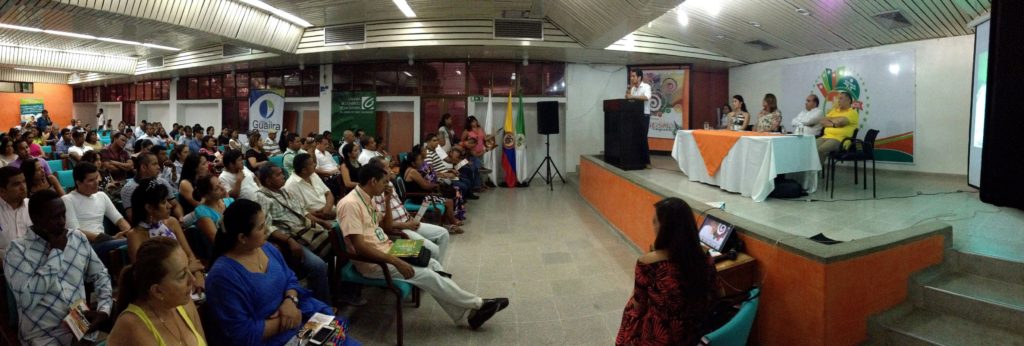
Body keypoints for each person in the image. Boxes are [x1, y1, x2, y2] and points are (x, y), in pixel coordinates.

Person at [338, 163, 507, 329]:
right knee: (427, 275)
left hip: (387, 248)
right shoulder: (350, 204)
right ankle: (478, 304)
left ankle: (466, 314)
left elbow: (387, 227)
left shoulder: (370, 199)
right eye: (384, 183)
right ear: (373, 181)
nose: (385, 187)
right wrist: (396, 261)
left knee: (432, 263)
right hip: (372, 262)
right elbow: (360, 247)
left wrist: (388, 200)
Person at [205, 199, 359, 346]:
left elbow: (290, 278)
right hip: (274, 339)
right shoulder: (223, 277)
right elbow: (241, 334)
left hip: (301, 317)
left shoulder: (266, 248)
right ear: (242, 237)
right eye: (260, 227)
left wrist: (290, 300)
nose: (267, 230)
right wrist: (286, 319)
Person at [4, 190, 114, 345]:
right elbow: (27, 300)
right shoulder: (17, 251)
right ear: (36, 219)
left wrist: (104, 309)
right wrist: (56, 253)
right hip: (43, 336)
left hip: (81, 327)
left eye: (64, 214)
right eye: (55, 217)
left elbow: (100, 275)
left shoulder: (77, 238)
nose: (62, 221)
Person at [616, 197, 717, 346]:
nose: (653, 226)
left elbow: (639, 307)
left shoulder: (648, 263)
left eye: (655, 221)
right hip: (693, 331)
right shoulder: (705, 255)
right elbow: (715, 294)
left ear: (665, 228)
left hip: (660, 336)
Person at [255, 165, 335, 303]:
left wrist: (321, 222)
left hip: (305, 230)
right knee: (318, 266)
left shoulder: (284, 191)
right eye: (278, 175)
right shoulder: (262, 198)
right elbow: (267, 227)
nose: (283, 177)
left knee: (338, 241)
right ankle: (323, 305)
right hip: (290, 237)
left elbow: (302, 212)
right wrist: (289, 240)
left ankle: (334, 289)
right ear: (268, 181)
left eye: (282, 174)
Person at [107, 237, 207, 346]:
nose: (192, 279)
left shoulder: (185, 303)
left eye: (188, 268)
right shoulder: (133, 326)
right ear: (157, 291)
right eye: (182, 275)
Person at [125, 179, 206, 288]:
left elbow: (190, 255)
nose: (170, 206)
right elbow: (145, 277)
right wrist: (186, 270)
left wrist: (198, 276)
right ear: (149, 207)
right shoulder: (134, 235)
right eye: (163, 202)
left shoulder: (172, 222)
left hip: (188, 278)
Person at [368, 157, 449, 260]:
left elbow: (399, 205)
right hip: (398, 230)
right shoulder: (375, 192)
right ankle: (433, 267)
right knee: (433, 250)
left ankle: (437, 267)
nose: (391, 171)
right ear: (379, 172)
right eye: (388, 168)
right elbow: (382, 224)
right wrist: (406, 225)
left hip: (408, 222)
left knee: (443, 234)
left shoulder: (389, 183)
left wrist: (410, 217)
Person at [63, 162, 131, 260]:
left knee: (136, 240)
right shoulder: (68, 200)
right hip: (86, 245)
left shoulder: (101, 196)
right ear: (78, 182)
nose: (96, 182)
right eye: (91, 180)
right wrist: (110, 238)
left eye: (96, 178)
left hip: (105, 241)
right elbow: (75, 232)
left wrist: (128, 233)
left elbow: (120, 220)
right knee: (129, 243)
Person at [401, 146, 463, 232]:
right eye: (420, 160)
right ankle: (454, 225)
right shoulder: (413, 172)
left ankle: (448, 222)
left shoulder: (410, 169)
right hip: (420, 198)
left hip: (420, 196)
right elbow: (425, 186)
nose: (422, 161)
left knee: (446, 197)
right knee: (449, 202)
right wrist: (436, 185)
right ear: (413, 163)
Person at [121, 152, 183, 221]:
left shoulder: (162, 182)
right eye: (154, 164)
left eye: (158, 164)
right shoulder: (129, 188)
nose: (158, 167)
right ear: (143, 167)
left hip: (167, 221)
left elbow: (175, 205)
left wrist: (181, 219)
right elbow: (132, 217)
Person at [284, 153, 337, 221]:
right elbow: (301, 212)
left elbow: (328, 193)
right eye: (312, 164)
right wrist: (324, 213)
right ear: (304, 170)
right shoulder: (291, 185)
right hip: (317, 219)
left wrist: (328, 208)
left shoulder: (313, 174)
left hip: (331, 210)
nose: (315, 165)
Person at [816, 91, 860, 166]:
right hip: (825, 137)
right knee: (811, 147)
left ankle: (816, 173)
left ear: (849, 100)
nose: (838, 100)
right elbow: (822, 121)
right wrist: (834, 124)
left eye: (841, 98)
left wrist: (830, 119)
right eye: (838, 99)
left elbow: (842, 122)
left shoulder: (852, 112)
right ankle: (809, 170)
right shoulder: (834, 110)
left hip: (840, 139)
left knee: (822, 149)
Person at [625, 69, 653, 168]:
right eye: (631, 76)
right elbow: (629, 100)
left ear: (639, 77)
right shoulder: (633, 89)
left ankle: (647, 162)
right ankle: (636, 160)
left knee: (643, 139)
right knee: (634, 138)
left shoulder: (646, 86)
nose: (631, 78)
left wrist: (632, 96)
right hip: (634, 117)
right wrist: (629, 93)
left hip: (644, 116)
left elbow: (646, 97)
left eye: (633, 76)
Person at [0, 166, 29, 258]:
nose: (23, 187)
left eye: (24, 182)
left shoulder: (33, 206)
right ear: (2, 191)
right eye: (16, 184)